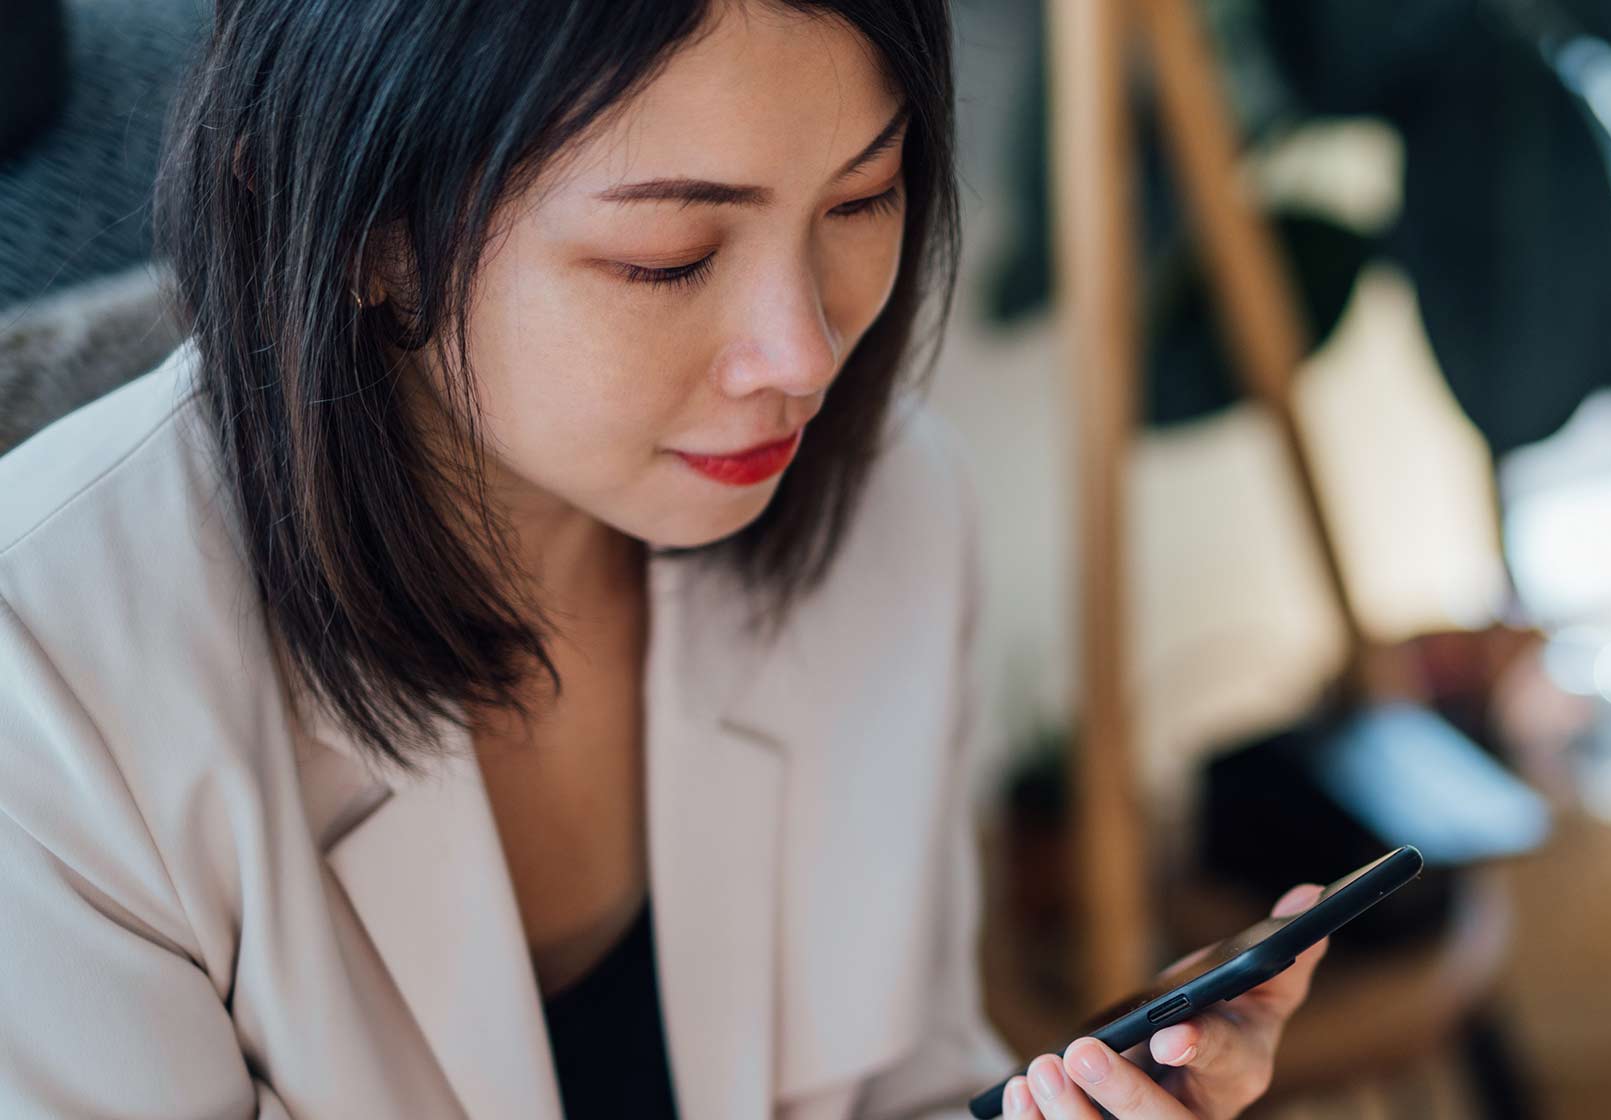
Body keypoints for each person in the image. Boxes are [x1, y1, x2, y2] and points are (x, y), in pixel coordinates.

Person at [0, 1, 1318, 1117]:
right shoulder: (49, 674)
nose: (803, 355)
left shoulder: (892, 510)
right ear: (366, 238)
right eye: (669, 258)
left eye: (863, 197)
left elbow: (897, 1077)